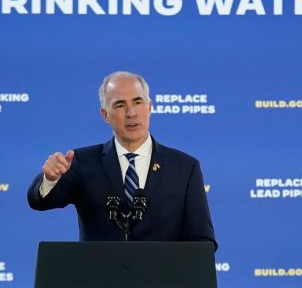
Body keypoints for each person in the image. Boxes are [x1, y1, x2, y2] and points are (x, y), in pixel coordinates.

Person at [27, 71, 216, 247]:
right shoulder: (82, 162)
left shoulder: (184, 168)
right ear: (105, 115)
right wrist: (50, 179)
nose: (131, 113)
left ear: (149, 107)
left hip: (163, 281)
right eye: (120, 105)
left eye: (138, 102)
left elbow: (202, 240)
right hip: (101, 280)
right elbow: (41, 202)